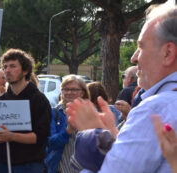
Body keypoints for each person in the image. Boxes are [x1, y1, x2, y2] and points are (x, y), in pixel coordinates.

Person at [67, 5, 177, 172]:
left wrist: (93, 134)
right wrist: (113, 133)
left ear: (168, 53)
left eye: (141, 47)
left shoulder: (156, 109)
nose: (134, 58)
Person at [0, 48, 51, 173]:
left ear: (25, 71)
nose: (7, 70)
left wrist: (11, 136)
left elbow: (40, 136)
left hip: (30, 166)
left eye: (13, 66)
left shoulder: (39, 99)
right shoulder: (0, 101)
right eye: (5, 67)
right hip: (3, 164)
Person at [45, 75, 90, 173]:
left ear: (82, 92)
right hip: (60, 168)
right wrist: (68, 131)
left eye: (74, 89)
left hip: (85, 168)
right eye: (65, 89)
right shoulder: (54, 113)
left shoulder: (90, 113)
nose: (69, 92)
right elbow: (51, 142)